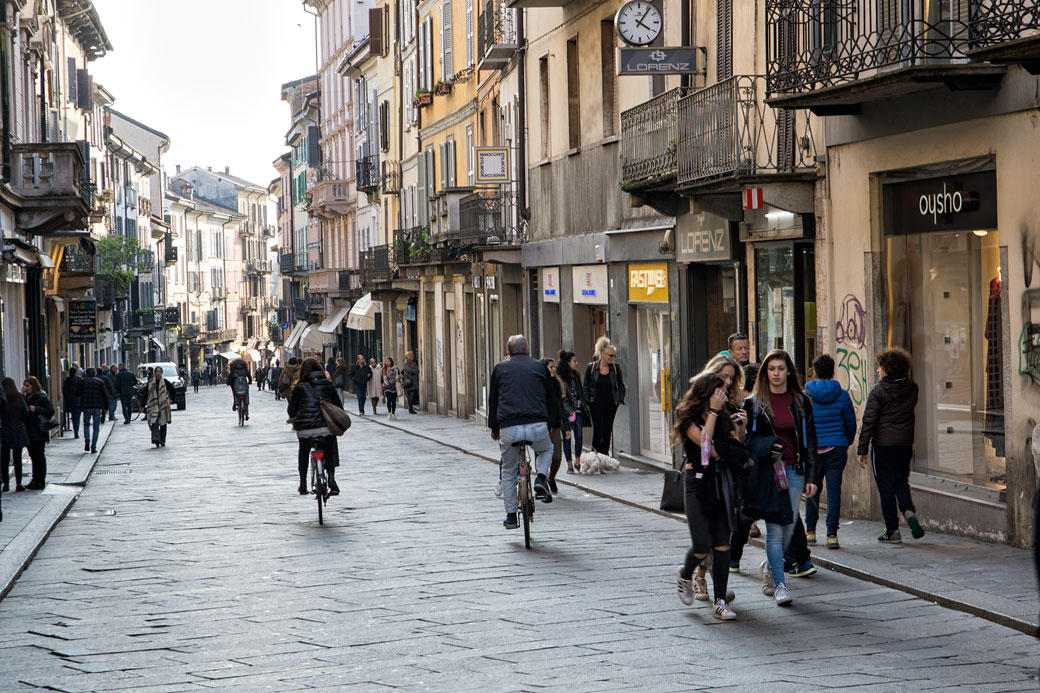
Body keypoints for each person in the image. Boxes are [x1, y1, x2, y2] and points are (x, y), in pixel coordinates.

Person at [743, 349, 820, 606]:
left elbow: (810, 441)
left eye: (781, 368)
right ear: (766, 372)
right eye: (772, 368)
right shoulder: (754, 403)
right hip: (769, 472)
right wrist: (767, 446)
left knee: (788, 528)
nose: (776, 373)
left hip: (794, 470)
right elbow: (748, 441)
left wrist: (812, 475)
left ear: (789, 371)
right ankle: (780, 585)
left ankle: (770, 564)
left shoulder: (800, 401)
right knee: (774, 531)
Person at [673, 372, 748, 621]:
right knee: (703, 543)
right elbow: (706, 450)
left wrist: (741, 428)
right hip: (696, 484)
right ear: (707, 394)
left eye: (724, 393)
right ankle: (685, 574)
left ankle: (719, 602)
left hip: (720, 482)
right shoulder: (688, 418)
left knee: (722, 544)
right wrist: (714, 414)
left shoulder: (724, 417)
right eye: (719, 392)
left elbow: (736, 449)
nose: (723, 396)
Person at [488, 335, 558, 529]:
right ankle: (541, 479)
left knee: (509, 471)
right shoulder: (539, 367)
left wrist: (494, 429)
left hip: (509, 427)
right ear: (527, 351)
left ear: (508, 352)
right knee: (546, 450)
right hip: (537, 424)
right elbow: (551, 398)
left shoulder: (500, 368)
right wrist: (550, 423)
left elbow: (493, 401)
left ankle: (511, 516)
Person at [857, 347, 924, 543]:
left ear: (887, 368)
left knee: (885, 486)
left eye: (880, 367)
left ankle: (892, 530)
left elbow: (869, 421)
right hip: (904, 443)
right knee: (901, 480)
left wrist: (862, 449)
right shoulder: (912, 387)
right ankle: (908, 509)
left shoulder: (879, 390)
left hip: (883, 444)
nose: (878, 370)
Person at [804, 354, 857, 549]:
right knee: (834, 492)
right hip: (837, 448)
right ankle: (832, 534)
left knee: (812, 489)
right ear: (833, 372)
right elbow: (851, 423)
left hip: (814, 450)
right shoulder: (842, 395)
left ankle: (809, 531)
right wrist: (846, 441)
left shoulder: (806, 395)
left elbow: (802, 423)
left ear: (814, 372)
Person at [287, 357, 343, 496]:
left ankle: (302, 483)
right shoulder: (328, 384)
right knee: (330, 449)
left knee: (304, 451)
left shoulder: (299, 386)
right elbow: (339, 406)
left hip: (305, 431)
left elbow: (291, 411)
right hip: (325, 428)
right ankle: (331, 479)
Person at [583, 337, 625, 455]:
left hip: (611, 404)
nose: (612, 358)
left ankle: (605, 456)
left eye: (613, 356)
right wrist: (588, 401)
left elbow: (621, 385)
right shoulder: (591, 367)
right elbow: (585, 386)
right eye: (610, 355)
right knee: (598, 430)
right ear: (602, 354)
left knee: (607, 430)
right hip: (595, 404)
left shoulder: (616, 369)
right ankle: (595, 456)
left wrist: (619, 399)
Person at [540, 357, 570, 494]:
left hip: (556, 426)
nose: (553, 369)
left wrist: (566, 427)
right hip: (542, 426)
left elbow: (560, 408)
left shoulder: (556, 384)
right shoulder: (539, 384)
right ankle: (542, 481)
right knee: (540, 457)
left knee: (557, 457)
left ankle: (551, 478)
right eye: (550, 367)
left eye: (553, 367)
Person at [557, 350, 588, 474]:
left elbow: (580, 393)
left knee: (579, 436)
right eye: (574, 361)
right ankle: (569, 464)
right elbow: (562, 398)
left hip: (578, 411)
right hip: (567, 414)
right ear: (567, 363)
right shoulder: (561, 378)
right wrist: (569, 411)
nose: (577, 363)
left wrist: (583, 404)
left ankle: (577, 462)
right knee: (567, 438)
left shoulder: (576, 376)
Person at [22, 377, 54, 490]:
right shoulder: (26, 398)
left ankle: (40, 481)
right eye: (24, 385)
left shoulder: (41, 397)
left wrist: (37, 409)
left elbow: (50, 411)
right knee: (33, 457)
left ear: (33, 386)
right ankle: (35, 479)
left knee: (39, 457)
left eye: (27, 386)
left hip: (39, 431)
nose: (25, 388)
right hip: (30, 431)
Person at [1, 377, 30, 492]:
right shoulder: (19, 397)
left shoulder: (3, 398)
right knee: (17, 458)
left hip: (5, 429)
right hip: (18, 429)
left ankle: (6, 483)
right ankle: (18, 483)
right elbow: (26, 413)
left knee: (4, 459)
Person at [76, 367, 109, 455]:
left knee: (86, 425)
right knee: (96, 427)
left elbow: (77, 393)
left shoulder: (83, 381)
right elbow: (105, 395)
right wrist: (106, 407)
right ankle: (93, 447)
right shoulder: (100, 382)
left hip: (86, 406)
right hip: (97, 406)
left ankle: (87, 440)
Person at [144, 366, 175, 447]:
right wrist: (142, 405)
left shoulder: (165, 382)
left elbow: (173, 390)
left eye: (159, 371)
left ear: (161, 373)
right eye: (157, 371)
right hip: (153, 405)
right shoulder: (150, 382)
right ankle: (156, 439)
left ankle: (162, 440)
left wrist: (172, 400)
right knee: (154, 422)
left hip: (163, 405)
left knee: (163, 423)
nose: (158, 373)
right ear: (154, 373)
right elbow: (146, 393)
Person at [63, 366, 83, 438]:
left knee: (72, 417)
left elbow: (64, 392)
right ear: (75, 373)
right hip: (78, 401)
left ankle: (69, 428)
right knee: (77, 418)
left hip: (69, 401)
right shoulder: (80, 380)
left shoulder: (66, 381)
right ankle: (76, 432)